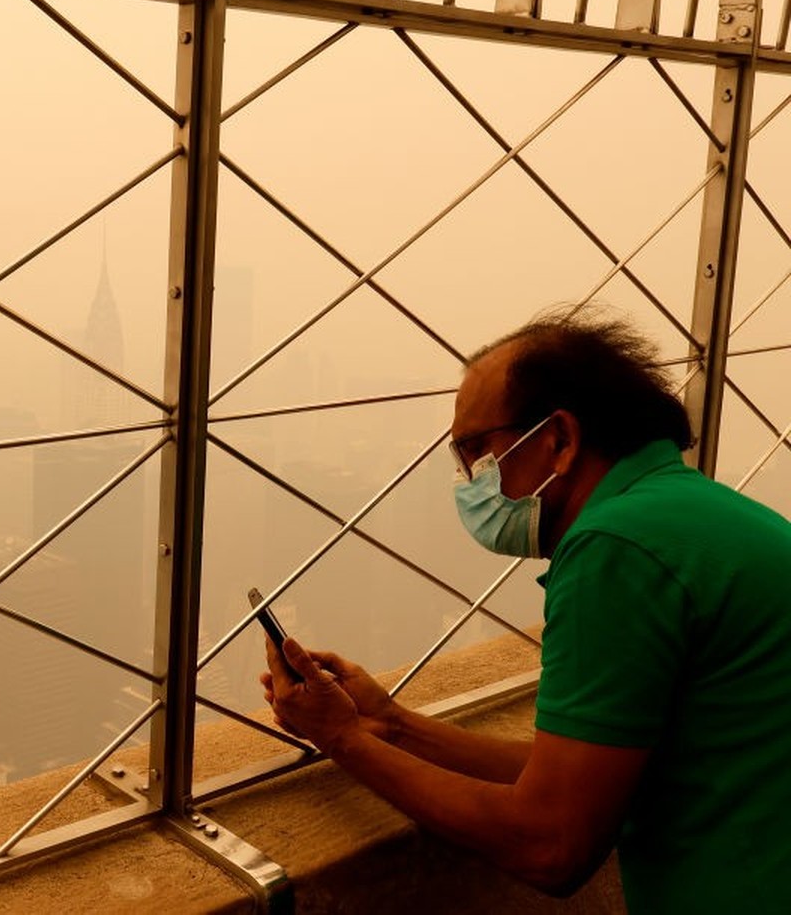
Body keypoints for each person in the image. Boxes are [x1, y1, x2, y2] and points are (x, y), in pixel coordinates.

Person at [261, 313, 791, 910]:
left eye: (474, 450)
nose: (467, 480)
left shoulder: (617, 547)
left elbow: (550, 842)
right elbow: (568, 771)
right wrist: (389, 724)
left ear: (559, 439)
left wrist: (341, 739)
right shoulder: (688, 513)